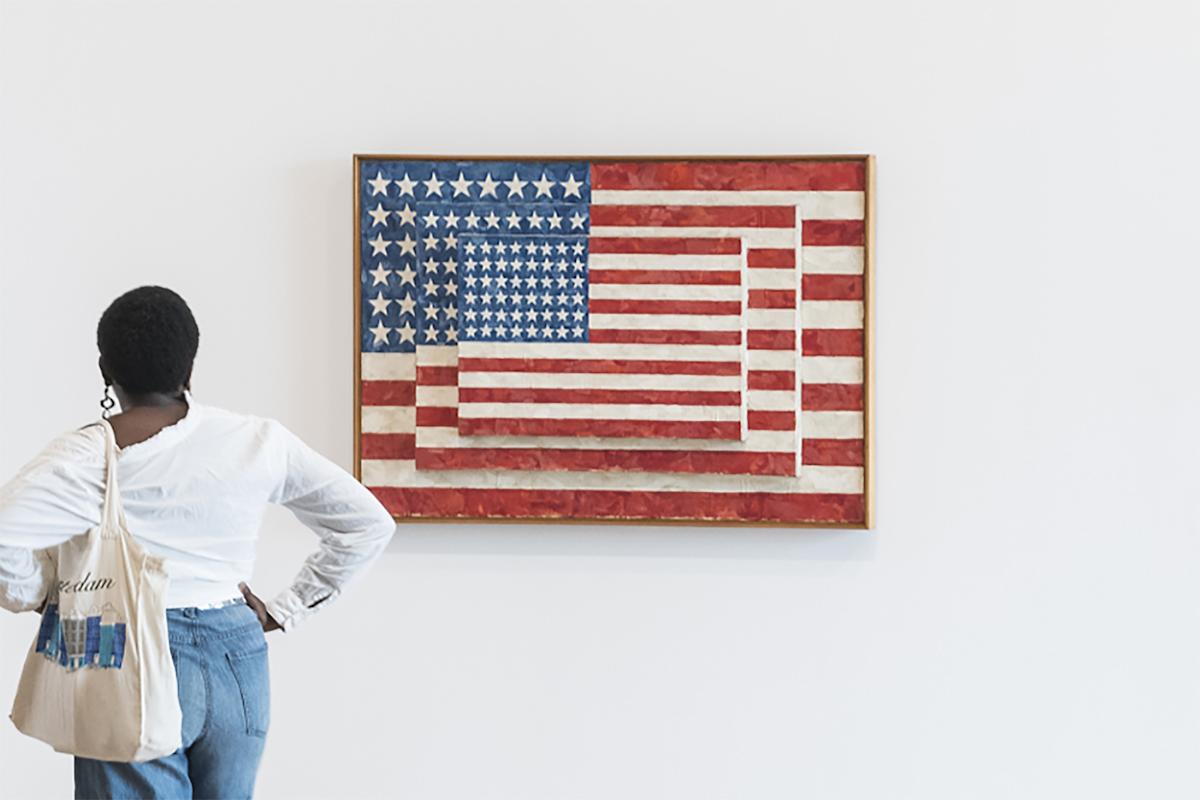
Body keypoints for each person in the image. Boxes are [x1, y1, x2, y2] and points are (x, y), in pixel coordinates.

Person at [0, 285, 397, 799]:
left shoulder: (88, 455)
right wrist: (285, 610)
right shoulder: (256, 441)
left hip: (128, 655)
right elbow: (367, 523)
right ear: (190, 364)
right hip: (238, 653)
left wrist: (40, 593)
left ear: (105, 369)